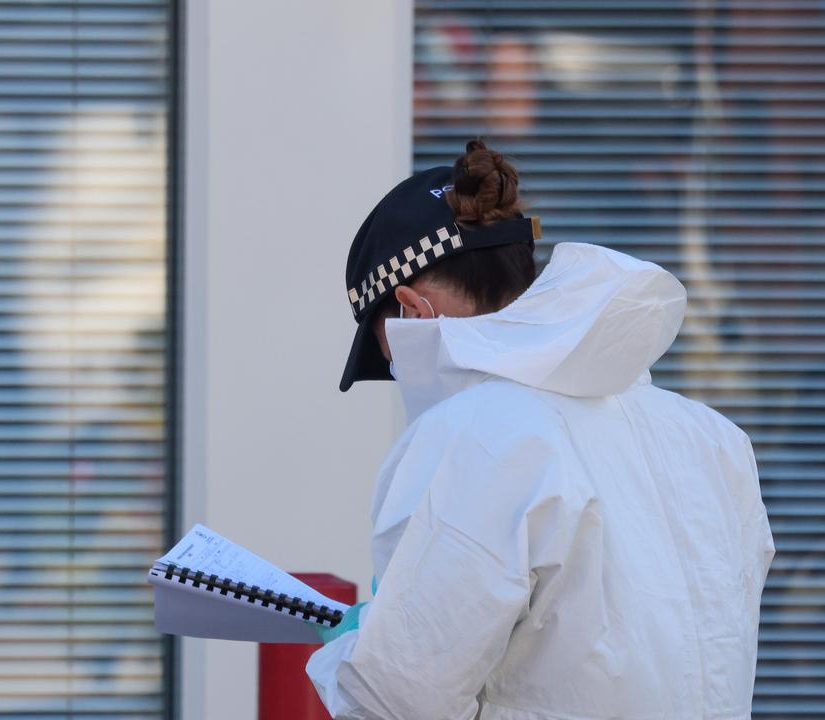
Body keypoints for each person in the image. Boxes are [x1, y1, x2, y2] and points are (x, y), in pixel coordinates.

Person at [306, 140, 774, 719]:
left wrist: (352, 652)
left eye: (387, 353)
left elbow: (396, 699)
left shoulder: (475, 436)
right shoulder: (711, 438)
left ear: (410, 310)